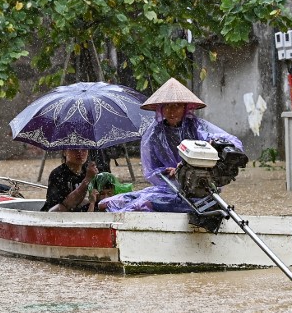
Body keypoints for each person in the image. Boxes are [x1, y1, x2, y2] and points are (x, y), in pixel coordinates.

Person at [98, 78, 243, 213]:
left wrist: (210, 148)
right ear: (161, 108)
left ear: (185, 108)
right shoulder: (154, 134)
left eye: (177, 106)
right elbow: (151, 170)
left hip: (198, 189)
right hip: (167, 189)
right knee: (106, 203)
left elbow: (230, 142)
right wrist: (168, 172)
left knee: (142, 205)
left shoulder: (196, 127)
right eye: (167, 106)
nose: (172, 111)